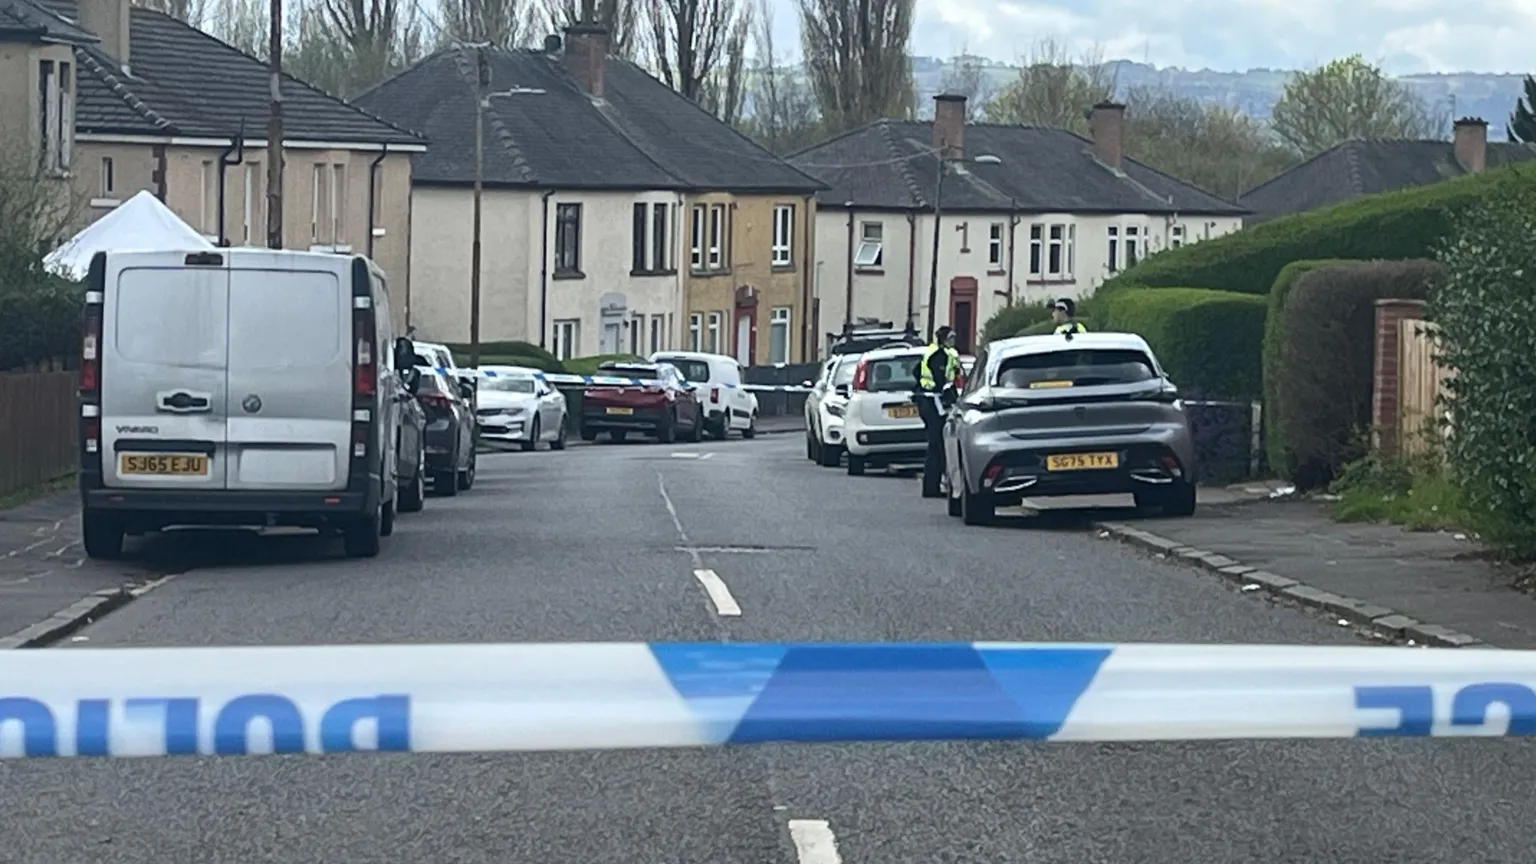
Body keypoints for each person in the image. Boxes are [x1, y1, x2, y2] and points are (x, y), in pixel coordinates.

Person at [915, 325, 962, 498]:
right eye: (951, 337)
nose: (954, 340)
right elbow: (942, 380)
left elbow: (916, 372)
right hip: (933, 402)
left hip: (928, 400)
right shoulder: (939, 355)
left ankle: (933, 485)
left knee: (936, 444)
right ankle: (932, 487)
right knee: (936, 445)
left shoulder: (932, 352)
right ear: (944, 339)